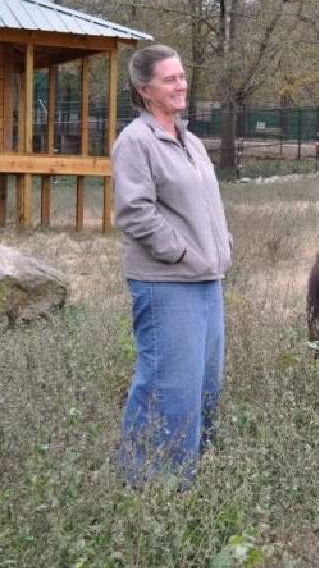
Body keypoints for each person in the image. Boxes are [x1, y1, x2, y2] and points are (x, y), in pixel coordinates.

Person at [113, 44, 231, 482]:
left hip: (207, 281)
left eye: (182, 76)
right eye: (169, 79)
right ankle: (149, 484)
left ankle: (191, 476)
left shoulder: (192, 142)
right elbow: (134, 212)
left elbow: (205, 207)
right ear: (145, 90)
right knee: (168, 386)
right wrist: (181, 252)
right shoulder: (136, 142)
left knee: (204, 387)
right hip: (166, 284)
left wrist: (221, 247)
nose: (181, 85)